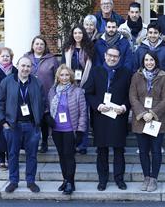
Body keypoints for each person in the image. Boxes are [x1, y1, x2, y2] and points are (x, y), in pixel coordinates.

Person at [84, 46, 131, 191]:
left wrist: (124, 107)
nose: (112, 58)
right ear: (105, 55)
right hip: (101, 117)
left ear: (119, 58)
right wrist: (97, 105)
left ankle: (119, 179)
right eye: (110, 55)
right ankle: (102, 180)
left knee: (119, 150)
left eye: (115, 56)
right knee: (102, 151)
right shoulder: (96, 71)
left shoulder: (126, 73)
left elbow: (131, 95)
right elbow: (88, 93)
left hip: (118, 117)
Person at [0, 56, 46, 193]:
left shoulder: (37, 83)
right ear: (17, 66)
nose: (25, 69)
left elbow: (43, 102)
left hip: (31, 126)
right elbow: (0, 103)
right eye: (23, 65)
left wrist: (38, 119)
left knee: (32, 155)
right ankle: (13, 181)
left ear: (32, 68)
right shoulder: (6, 82)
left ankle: (30, 181)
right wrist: (3, 121)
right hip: (13, 126)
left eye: (28, 66)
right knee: (12, 154)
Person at [129, 51, 165, 192]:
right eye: (146, 60)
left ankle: (154, 178)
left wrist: (152, 113)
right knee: (143, 151)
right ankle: (146, 176)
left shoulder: (164, 77)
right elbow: (132, 97)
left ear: (156, 61)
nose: (149, 63)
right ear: (143, 62)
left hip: (157, 120)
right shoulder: (136, 76)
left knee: (156, 150)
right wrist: (142, 113)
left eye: (151, 60)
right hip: (140, 120)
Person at [47, 64, 87, 195]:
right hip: (57, 130)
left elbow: (83, 113)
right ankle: (65, 179)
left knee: (69, 156)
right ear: (58, 77)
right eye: (62, 75)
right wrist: (48, 118)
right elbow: (47, 108)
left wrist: (81, 130)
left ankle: (71, 182)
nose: (64, 77)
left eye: (67, 75)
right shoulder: (52, 91)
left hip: (70, 129)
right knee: (61, 156)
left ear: (71, 76)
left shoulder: (78, 91)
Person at [61, 24, 94, 154]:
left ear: (83, 34)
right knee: (71, 115)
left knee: (83, 116)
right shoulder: (68, 49)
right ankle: (72, 143)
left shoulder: (90, 49)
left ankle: (83, 145)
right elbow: (63, 68)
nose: (77, 35)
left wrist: (85, 87)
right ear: (72, 35)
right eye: (75, 33)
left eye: (80, 33)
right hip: (70, 87)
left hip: (85, 87)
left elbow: (93, 70)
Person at [25, 35, 59, 153]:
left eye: (41, 44)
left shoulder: (52, 59)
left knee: (44, 119)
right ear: (33, 45)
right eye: (37, 44)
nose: (39, 46)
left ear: (45, 47)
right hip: (28, 94)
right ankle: (30, 142)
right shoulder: (26, 57)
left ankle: (44, 142)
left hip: (46, 94)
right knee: (30, 118)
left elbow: (57, 77)